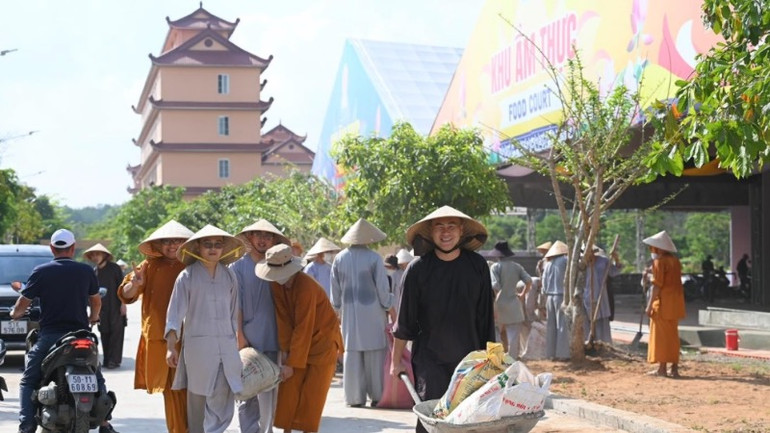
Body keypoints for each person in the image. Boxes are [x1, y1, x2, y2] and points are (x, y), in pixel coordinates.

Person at [390, 206, 495, 433]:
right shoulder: (417, 270)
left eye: (451, 226)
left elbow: (486, 318)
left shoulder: (477, 267)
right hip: (430, 361)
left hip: (470, 361)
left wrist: (493, 359)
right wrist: (395, 360)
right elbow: (405, 322)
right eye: (439, 226)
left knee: (467, 421)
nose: (445, 232)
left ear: (462, 230)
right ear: (430, 231)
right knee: (433, 420)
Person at [11, 229, 118, 433]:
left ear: (52, 248)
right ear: (73, 248)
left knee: (28, 379)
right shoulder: (86, 271)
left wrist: (15, 314)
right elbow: (96, 300)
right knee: (96, 373)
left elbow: (23, 302)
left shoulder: (41, 271)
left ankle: (26, 427)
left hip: (51, 336)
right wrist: (93, 317)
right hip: (81, 335)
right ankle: (105, 424)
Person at [166, 225, 245, 433]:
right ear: (198, 248)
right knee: (198, 400)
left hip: (226, 346)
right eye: (207, 244)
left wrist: (238, 343)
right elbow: (175, 314)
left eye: (218, 245)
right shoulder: (187, 276)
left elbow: (233, 312)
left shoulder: (230, 276)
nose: (213, 249)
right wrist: (171, 346)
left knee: (224, 395)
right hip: (199, 348)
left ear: (223, 249)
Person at [257, 244, 343, 433]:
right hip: (299, 343)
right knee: (289, 392)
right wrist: (287, 355)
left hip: (323, 343)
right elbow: (283, 321)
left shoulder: (306, 287)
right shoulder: (275, 284)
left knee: (312, 396)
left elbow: (304, 327)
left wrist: (291, 363)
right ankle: (286, 430)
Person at [119, 219, 193, 433]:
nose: (172, 246)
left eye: (178, 241)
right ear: (158, 245)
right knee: (172, 391)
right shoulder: (148, 266)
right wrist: (136, 284)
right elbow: (125, 294)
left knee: (196, 391)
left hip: (193, 336)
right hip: (162, 338)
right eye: (167, 241)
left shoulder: (194, 264)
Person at [231, 219, 290, 433]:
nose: (263, 240)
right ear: (250, 238)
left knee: (271, 388)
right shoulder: (237, 267)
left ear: (274, 240)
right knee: (247, 391)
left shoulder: (280, 265)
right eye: (258, 235)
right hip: (248, 335)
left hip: (276, 335)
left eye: (268, 236)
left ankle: (267, 430)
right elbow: (236, 304)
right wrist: (239, 335)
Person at [330, 218, 393, 407]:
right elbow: (383, 290)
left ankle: (354, 398)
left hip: (349, 315)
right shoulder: (374, 258)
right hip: (373, 315)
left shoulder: (339, 258)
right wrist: (389, 305)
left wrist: (339, 309)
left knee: (352, 356)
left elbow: (335, 294)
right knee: (375, 356)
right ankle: (377, 396)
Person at [643, 230, 686, 378]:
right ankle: (674, 368)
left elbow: (657, 285)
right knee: (672, 336)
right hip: (675, 303)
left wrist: (649, 306)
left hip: (662, 304)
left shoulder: (659, 262)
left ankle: (662, 368)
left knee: (661, 337)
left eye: (653, 247)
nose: (651, 249)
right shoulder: (675, 261)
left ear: (660, 248)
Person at [84, 243, 126, 369]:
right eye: (93, 255)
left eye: (98, 254)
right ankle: (107, 360)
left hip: (116, 305)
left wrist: (123, 304)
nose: (95, 257)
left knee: (116, 333)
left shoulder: (115, 269)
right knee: (104, 333)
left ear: (105, 255)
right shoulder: (94, 272)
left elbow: (122, 286)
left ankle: (115, 360)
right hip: (101, 308)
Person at [488, 240, 531, 359]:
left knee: (498, 335)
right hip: (514, 305)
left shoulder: (495, 267)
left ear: (497, 255)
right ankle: (512, 361)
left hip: (499, 306)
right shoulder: (517, 267)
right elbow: (529, 281)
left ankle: (498, 360)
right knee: (513, 338)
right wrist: (522, 294)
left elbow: (495, 286)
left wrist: (495, 304)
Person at [583, 246, 621, 344]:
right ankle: (588, 343)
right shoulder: (581, 264)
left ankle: (603, 344)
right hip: (586, 295)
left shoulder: (604, 261)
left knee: (601, 320)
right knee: (587, 320)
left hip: (601, 295)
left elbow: (614, 272)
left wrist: (616, 259)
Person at [542, 240, 570, 360]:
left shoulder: (547, 264)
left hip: (549, 296)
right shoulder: (565, 260)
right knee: (562, 325)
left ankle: (550, 353)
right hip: (561, 295)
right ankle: (563, 354)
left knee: (551, 325)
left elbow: (544, 282)